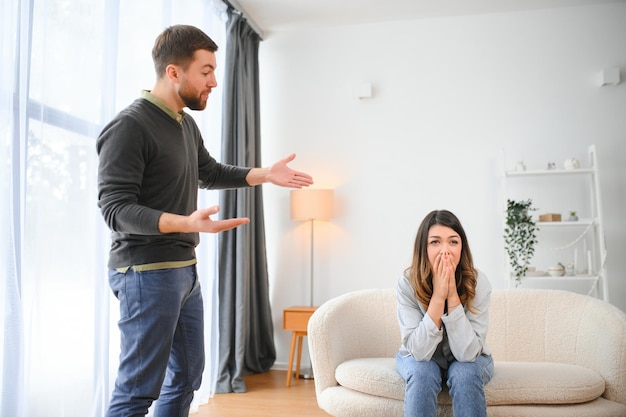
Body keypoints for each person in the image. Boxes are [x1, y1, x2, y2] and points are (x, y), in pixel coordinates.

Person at [96, 24, 313, 417]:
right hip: (145, 272)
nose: (214, 81)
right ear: (174, 72)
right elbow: (116, 210)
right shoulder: (131, 125)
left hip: (183, 272)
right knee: (138, 390)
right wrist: (186, 223)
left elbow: (208, 172)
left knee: (186, 378)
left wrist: (264, 174)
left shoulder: (184, 123)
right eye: (206, 70)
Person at [395, 210, 493, 417]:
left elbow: (467, 355)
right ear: (423, 248)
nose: (445, 251)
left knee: (465, 373)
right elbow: (419, 353)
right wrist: (438, 297)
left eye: (453, 242)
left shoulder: (479, 282)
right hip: (419, 356)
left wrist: (452, 297)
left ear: (462, 247)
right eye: (435, 242)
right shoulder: (407, 283)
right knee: (422, 372)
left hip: (471, 357)